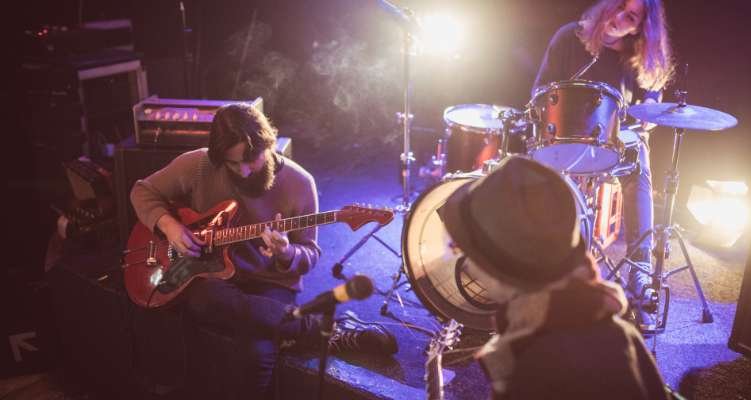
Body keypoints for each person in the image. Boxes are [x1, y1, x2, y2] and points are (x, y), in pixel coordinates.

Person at [130, 104, 397, 399]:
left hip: (271, 284)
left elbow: (309, 255)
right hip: (216, 279)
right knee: (203, 298)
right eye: (233, 164)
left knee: (255, 355)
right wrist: (169, 225)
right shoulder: (198, 165)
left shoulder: (299, 182)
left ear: (268, 143)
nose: (244, 171)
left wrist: (286, 253)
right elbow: (142, 191)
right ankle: (323, 327)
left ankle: (304, 325)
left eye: (250, 160)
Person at [440, 156, 669, 399]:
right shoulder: (616, 331)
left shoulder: (537, 368)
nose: (468, 266)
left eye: (467, 252)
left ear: (498, 268)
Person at [531, 0, 676, 328]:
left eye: (631, 16)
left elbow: (653, 95)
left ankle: (639, 271)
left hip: (613, 142)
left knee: (639, 155)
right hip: (563, 138)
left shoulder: (638, 56)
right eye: (619, 5)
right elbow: (538, 90)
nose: (619, 16)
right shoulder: (569, 37)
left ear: (640, 27)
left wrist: (650, 108)